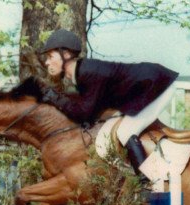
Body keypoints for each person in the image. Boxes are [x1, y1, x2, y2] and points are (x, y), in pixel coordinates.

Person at [38, 29, 180, 174]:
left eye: (50, 56)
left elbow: (83, 113)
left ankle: (146, 181)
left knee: (125, 132)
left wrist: (56, 99)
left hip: (156, 86)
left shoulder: (88, 72)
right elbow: (93, 111)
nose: (47, 62)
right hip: (143, 90)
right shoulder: (81, 72)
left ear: (66, 54)